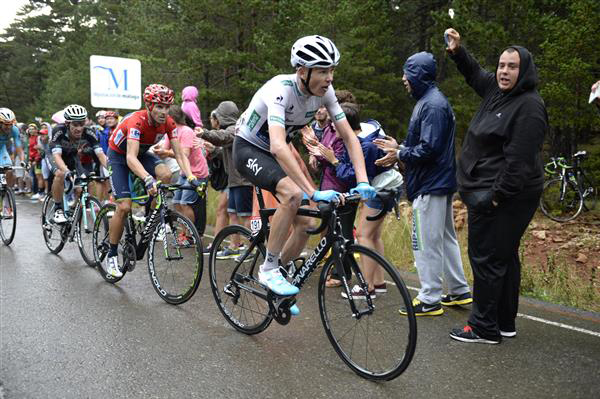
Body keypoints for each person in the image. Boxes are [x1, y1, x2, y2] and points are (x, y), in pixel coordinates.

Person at [233, 35, 376, 313]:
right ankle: (269, 268)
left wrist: (363, 180)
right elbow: (277, 145)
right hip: (249, 148)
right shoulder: (280, 89)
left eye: (332, 70)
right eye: (323, 71)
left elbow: (349, 136)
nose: (329, 77)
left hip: (275, 150)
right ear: (302, 71)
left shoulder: (325, 93)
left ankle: (280, 279)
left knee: (307, 224)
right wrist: (311, 191)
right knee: (293, 194)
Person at [444, 29, 547, 344]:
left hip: (503, 195)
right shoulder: (496, 91)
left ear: (524, 70)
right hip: (489, 189)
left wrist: (495, 198)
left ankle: (483, 326)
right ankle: (503, 321)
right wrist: (459, 52)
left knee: (487, 257)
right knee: (503, 256)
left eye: (512, 66)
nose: (504, 71)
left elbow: (519, 162)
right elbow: (475, 74)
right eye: (501, 65)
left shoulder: (529, 106)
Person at [376, 51, 472, 317]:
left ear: (418, 74)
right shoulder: (431, 102)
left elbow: (429, 148)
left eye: (407, 73)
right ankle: (459, 290)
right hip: (437, 182)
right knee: (444, 238)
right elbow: (430, 145)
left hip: (430, 184)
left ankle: (429, 298)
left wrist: (400, 153)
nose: (403, 78)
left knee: (424, 242)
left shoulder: (431, 105)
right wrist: (401, 148)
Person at [104, 84, 200, 278]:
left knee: (165, 174)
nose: (164, 112)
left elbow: (180, 154)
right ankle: (112, 254)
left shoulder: (169, 123)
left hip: (140, 154)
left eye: (166, 107)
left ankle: (151, 213)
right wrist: (147, 178)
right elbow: (130, 157)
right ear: (149, 106)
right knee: (123, 207)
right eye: (159, 107)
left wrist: (191, 177)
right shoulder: (137, 122)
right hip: (119, 157)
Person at [197, 101, 254, 258]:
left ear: (223, 116)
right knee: (233, 214)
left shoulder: (235, 128)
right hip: (234, 181)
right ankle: (234, 246)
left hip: (243, 181)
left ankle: (252, 248)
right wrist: (215, 150)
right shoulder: (234, 129)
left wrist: (204, 133)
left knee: (246, 216)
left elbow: (223, 137)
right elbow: (227, 151)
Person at [154, 105, 209, 238]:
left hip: (197, 172)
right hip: (184, 172)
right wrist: (158, 150)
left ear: (171, 118)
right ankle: (184, 232)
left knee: (185, 203)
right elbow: (165, 149)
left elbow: (184, 154)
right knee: (177, 202)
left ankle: (190, 236)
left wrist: (165, 152)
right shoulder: (170, 131)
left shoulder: (186, 131)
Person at [49, 104, 108, 224]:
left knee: (82, 186)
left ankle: (72, 213)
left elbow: (100, 155)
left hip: (72, 157)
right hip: (56, 157)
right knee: (60, 174)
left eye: (82, 124)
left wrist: (112, 169)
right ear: (67, 124)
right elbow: (57, 156)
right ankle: (58, 209)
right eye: (75, 124)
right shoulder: (58, 131)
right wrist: (66, 171)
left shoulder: (89, 132)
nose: (79, 128)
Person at [0, 108, 24, 191]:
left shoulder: (14, 130)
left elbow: (19, 147)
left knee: (9, 171)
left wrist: (22, 161)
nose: (9, 127)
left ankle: (7, 194)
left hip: (2, 150)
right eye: (6, 124)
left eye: (10, 124)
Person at [27, 123, 45, 200]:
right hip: (33, 159)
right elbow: (31, 150)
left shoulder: (38, 137)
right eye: (30, 129)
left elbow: (39, 149)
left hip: (39, 159)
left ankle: (41, 193)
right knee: (35, 176)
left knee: (39, 176)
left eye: (32, 129)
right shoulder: (30, 138)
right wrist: (30, 160)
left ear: (36, 129)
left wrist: (36, 159)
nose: (31, 130)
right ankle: (37, 192)